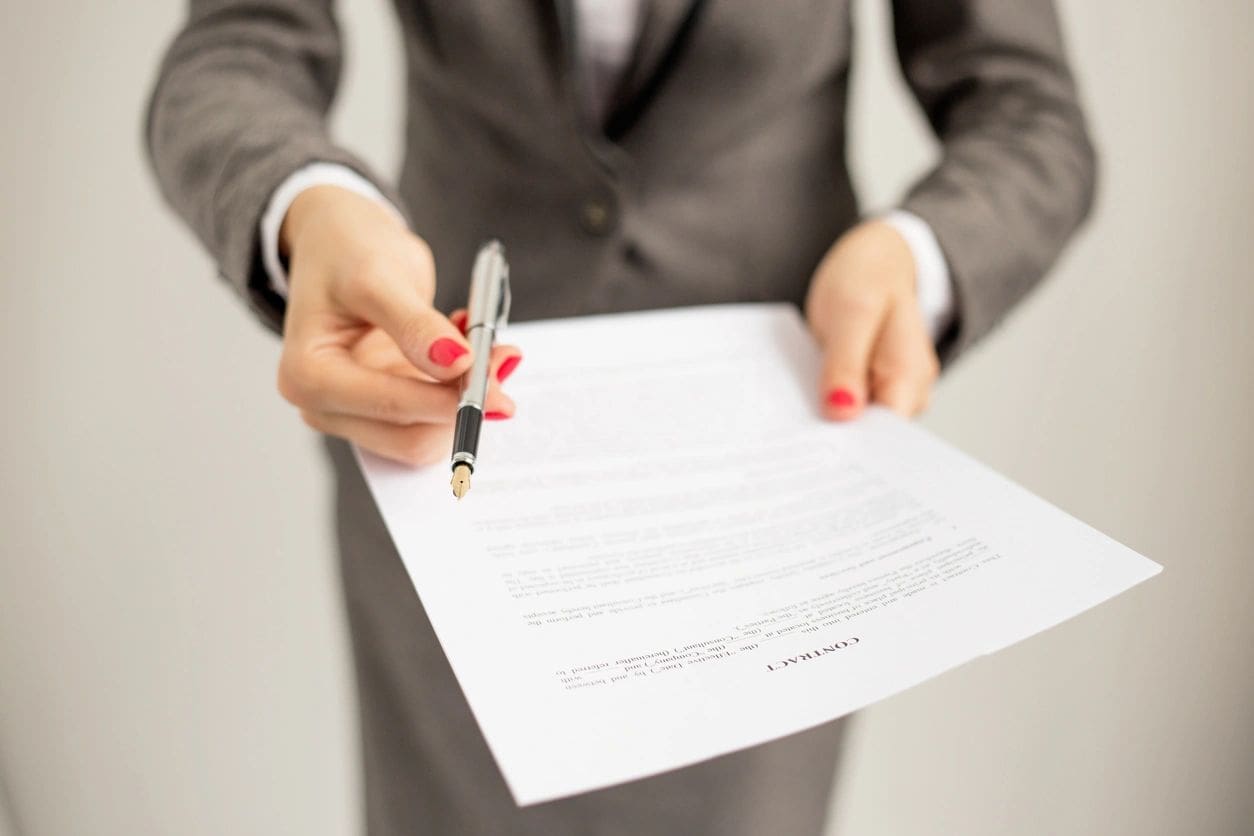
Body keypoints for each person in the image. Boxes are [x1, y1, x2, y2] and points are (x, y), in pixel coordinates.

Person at [146, 1, 1096, 833]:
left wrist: (915, 257)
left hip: (769, 508)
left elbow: (1028, 116)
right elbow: (236, 47)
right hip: (444, 481)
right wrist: (308, 205)